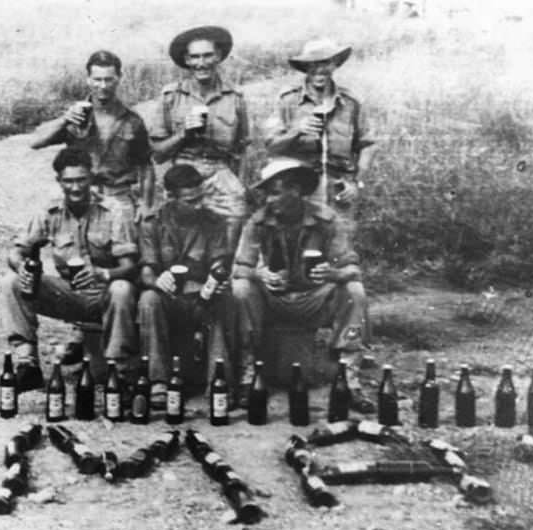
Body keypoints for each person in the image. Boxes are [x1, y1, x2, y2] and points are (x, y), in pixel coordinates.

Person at [30, 50, 154, 364]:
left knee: (123, 259)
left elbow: (145, 165)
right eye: (96, 79)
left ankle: (122, 334)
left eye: (108, 79)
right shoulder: (76, 116)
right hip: (83, 192)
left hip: (118, 194)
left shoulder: (132, 120)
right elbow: (36, 141)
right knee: (74, 253)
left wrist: (148, 204)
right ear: (88, 79)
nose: (102, 86)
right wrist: (63, 120)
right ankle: (80, 332)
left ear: (118, 79)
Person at [231, 157, 375, 412]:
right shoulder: (257, 222)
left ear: (295, 191)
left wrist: (334, 274)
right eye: (266, 194)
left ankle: (349, 380)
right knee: (241, 289)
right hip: (273, 300)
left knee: (354, 291)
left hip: (314, 299)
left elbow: (352, 268)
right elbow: (239, 267)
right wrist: (260, 274)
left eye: (275, 193)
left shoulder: (326, 220)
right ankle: (247, 375)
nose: (269, 200)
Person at [2, 147, 138, 391]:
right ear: (59, 181)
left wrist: (103, 273)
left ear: (91, 178)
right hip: (70, 296)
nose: (75, 188)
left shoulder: (114, 210)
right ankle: (27, 362)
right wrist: (22, 267)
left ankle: (119, 371)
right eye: (69, 181)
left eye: (81, 180)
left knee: (122, 288)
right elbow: (17, 250)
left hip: (105, 296)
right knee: (11, 281)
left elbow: (130, 266)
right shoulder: (50, 211)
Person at [136, 164, 233, 408]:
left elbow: (220, 262)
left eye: (201, 197)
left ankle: (219, 383)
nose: (199, 205)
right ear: (170, 197)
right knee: (149, 299)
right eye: (191, 200)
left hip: (201, 298)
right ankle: (158, 382)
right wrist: (156, 280)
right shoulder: (152, 223)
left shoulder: (214, 222)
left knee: (221, 301)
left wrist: (216, 279)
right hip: (168, 300)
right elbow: (146, 268)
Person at [148, 25, 250, 254]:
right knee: (175, 227)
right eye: (194, 57)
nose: (201, 63)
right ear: (186, 60)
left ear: (219, 56)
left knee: (237, 212)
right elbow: (158, 152)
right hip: (182, 169)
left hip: (219, 171)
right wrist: (183, 133)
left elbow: (242, 149)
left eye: (207, 55)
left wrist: (240, 185)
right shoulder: (171, 96)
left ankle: (224, 272)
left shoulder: (235, 97)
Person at [264, 38, 375, 222]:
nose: (319, 70)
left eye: (325, 63)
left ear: (335, 65)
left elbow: (368, 144)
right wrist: (296, 131)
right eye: (312, 64)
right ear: (305, 67)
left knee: (339, 245)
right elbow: (271, 145)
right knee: (301, 243)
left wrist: (355, 182)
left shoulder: (350, 103)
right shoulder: (288, 101)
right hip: (300, 187)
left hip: (339, 187)